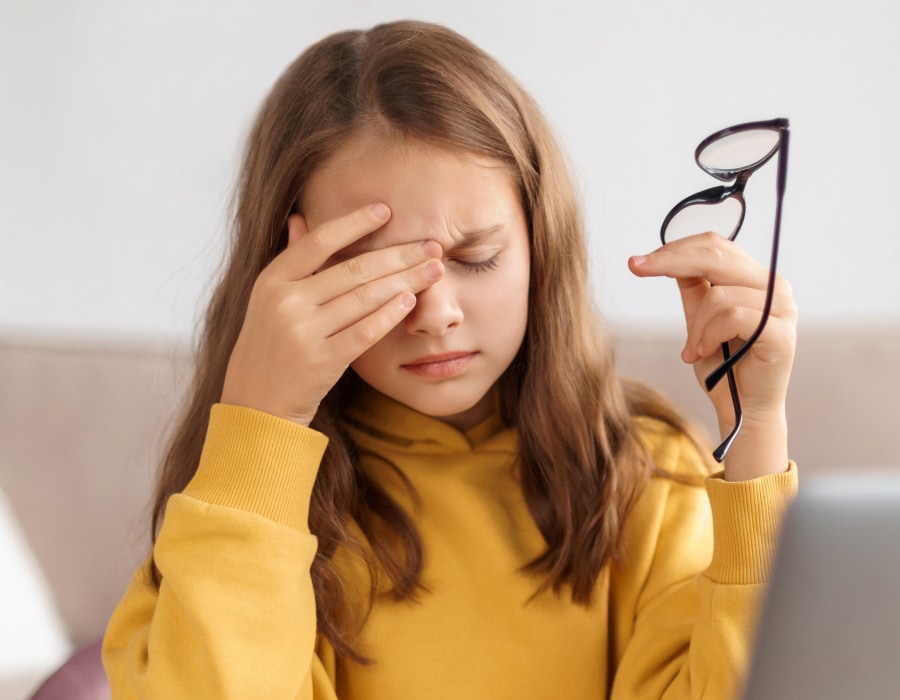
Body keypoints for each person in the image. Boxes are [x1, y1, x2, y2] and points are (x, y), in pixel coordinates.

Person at [102, 20, 798, 699]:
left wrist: (756, 429)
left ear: (539, 246)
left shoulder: (645, 472)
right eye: (375, 276)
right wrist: (259, 426)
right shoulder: (240, 506)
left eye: (477, 257)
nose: (436, 315)